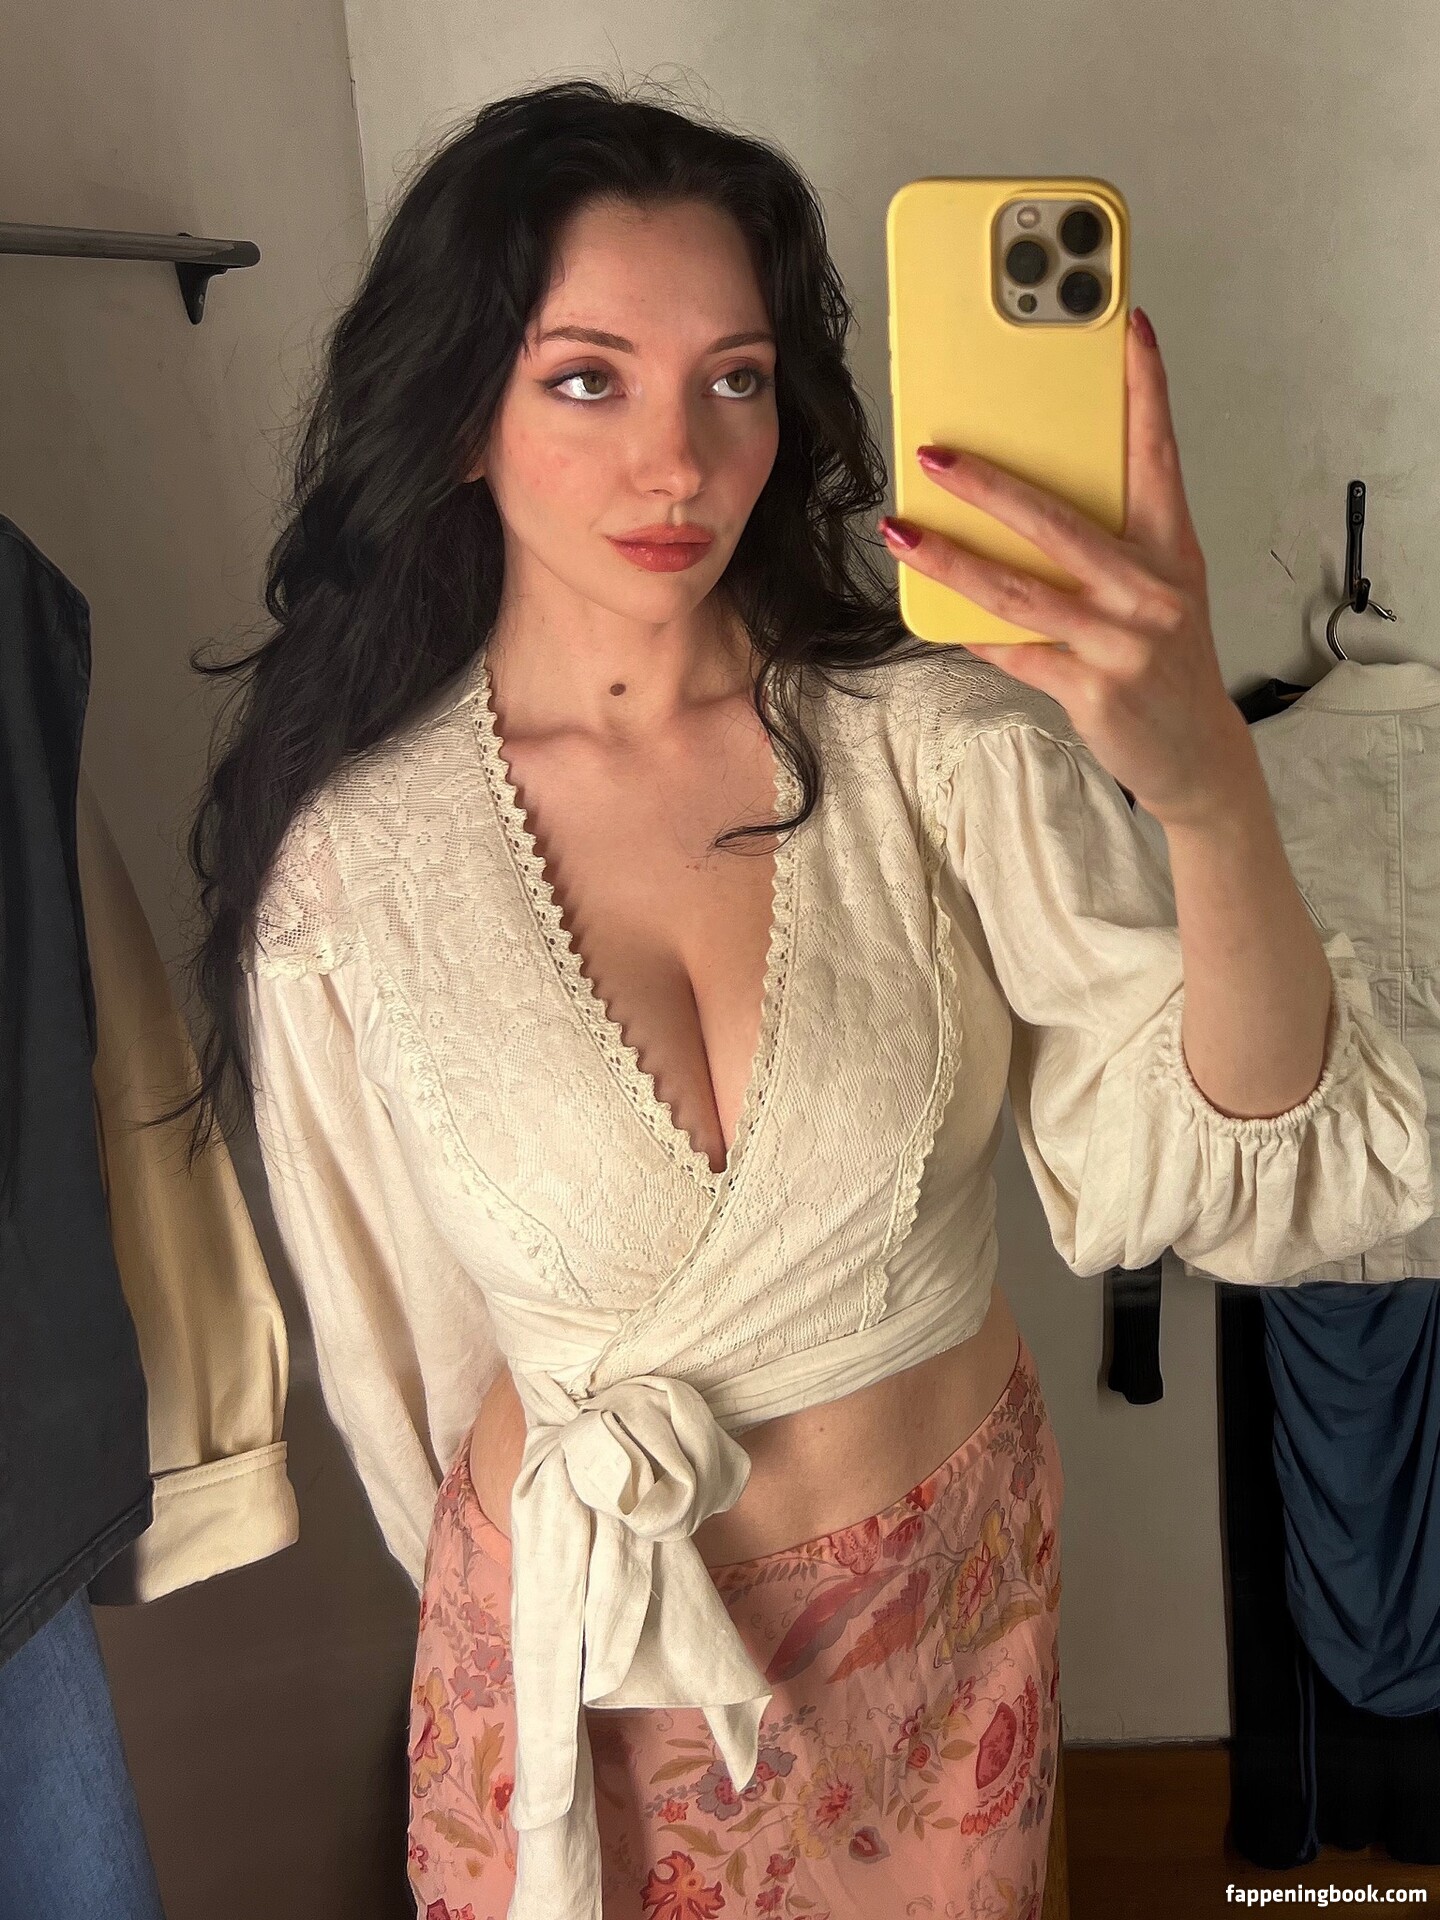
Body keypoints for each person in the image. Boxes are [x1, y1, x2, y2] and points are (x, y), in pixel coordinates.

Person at [168, 80, 1432, 1920]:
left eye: (736, 379)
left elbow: (1252, 1185)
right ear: (457, 416)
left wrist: (1207, 790)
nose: (678, 461)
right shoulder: (357, 878)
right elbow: (406, 1379)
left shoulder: (941, 753)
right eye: (587, 379)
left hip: (941, 1655)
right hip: (574, 1670)